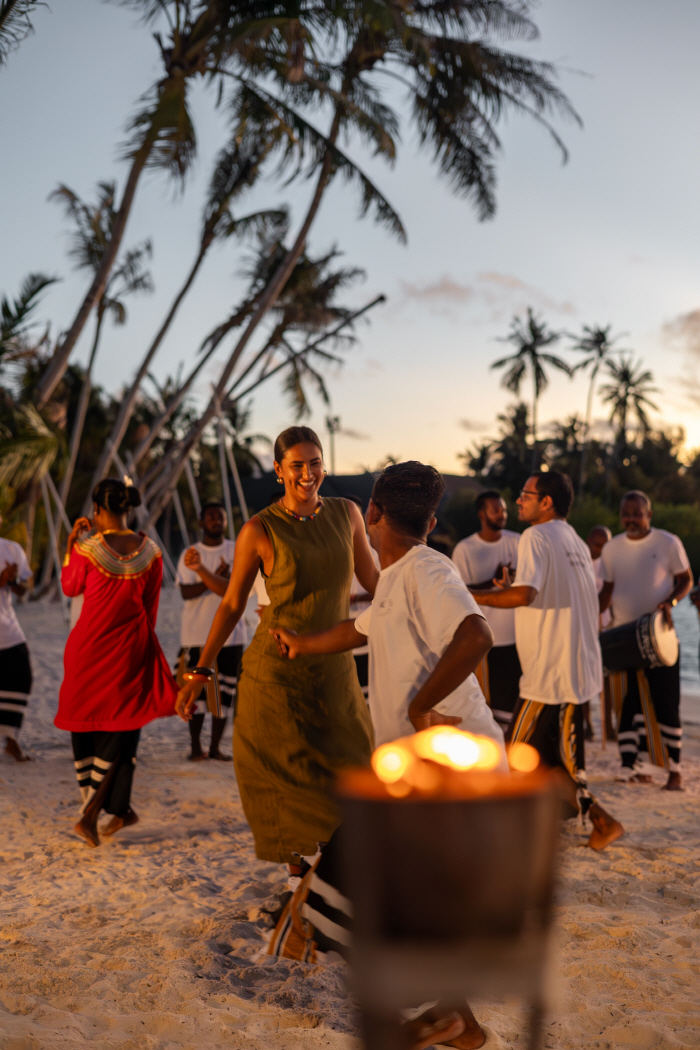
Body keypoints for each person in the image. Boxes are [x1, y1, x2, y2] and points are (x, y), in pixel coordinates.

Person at [175, 426, 377, 883]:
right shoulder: (259, 529)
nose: (309, 474)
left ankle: (329, 881)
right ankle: (299, 889)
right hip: (277, 671)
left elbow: (375, 581)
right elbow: (231, 604)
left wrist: (419, 596)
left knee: (354, 769)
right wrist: (202, 668)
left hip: (336, 669)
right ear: (279, 469)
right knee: (291, 781)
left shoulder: (347, 514)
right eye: (298, 465)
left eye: (315, 463)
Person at [272, 461, 504, 757]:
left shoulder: (425, 567)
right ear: (431, 525)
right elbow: (357, 630)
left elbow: (477, 635)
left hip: (460, 760)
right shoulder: (396, 578)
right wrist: (300, 643)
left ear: (372, 512)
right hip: (426, 760)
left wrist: (419, 708)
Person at [473, 470, 624, 850]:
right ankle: (600, 820)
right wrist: (510, 589)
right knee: (555, 758)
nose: (519, 500)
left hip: (550, 672)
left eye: (525, 494)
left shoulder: (535, 535)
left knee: (513, 752)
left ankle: (500, 833)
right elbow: (546, 591)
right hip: (577, 666)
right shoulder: (571, 537)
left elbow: (525, 595)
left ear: (546, 502)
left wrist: (474, 596)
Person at [56, 478, 178, 847]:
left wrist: (70, 545)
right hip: (130, 648)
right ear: (128, 508)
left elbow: (69, 587)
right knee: (124, 725)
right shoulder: (151, 551)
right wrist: (140, 645)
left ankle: (92, 812)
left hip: (87, 649)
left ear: (95, 510)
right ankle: (117, 809)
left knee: (86, 724)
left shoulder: (89, 548)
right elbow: (150, 609)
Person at [599, 491, 692, 790]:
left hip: (660, 636)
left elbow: (686, 579)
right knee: (629, 703)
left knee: (667, 701)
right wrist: (587, 615)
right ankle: (632, 767)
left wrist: (671, 602)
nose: (631, 519)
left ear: (649, 515)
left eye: (637, 513)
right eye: (626, 513)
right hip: (623, 637)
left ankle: (675, 771)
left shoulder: (668, 542)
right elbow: (606, 592)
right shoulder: (611, 548)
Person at [175, 501, 246, 762]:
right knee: (199, 694)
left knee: (224, 695)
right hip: (195, 634)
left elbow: (234, 591)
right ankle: (195, 746)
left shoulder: (237, 550)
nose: (216, 520)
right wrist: (213, 578)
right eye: (211, 516)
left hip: (233, 636)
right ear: (201, 522)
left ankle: (215, 747)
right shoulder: (191, 553)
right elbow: (185, 592)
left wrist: (209, 577)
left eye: (220, 516)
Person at [452, 490, 521, 733]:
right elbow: (459, 592)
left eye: (503, 509)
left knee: (515, 702)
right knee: (490, 705)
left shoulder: (518, 541)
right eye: (496, 510)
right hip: (488, 640)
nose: (502, 514)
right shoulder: (466, 548)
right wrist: (492, 581)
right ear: (482, 514)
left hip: (519, 637)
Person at [0, 512, 34, 761]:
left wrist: (13, 579)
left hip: (7, 626)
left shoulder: (11, 549)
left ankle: (11, 739)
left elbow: (25, 589)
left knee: (22, 676)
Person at [345, 493, 379, 701]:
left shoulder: (375, 546)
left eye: (356, 514)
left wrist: (356, 598)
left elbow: (385, 589)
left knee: (370, 697)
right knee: (348, 697)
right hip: (340, 635)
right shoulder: (333, 545)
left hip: (371, 635)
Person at [585, 525, 613, 740]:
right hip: (584, 627)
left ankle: (609, 726)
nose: (601, 549)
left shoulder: (610, 564)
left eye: (606, 545)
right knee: (584, 678)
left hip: (606, 626)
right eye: (597, 544)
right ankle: (587, 724)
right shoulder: (581, 563)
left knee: (607, 679)